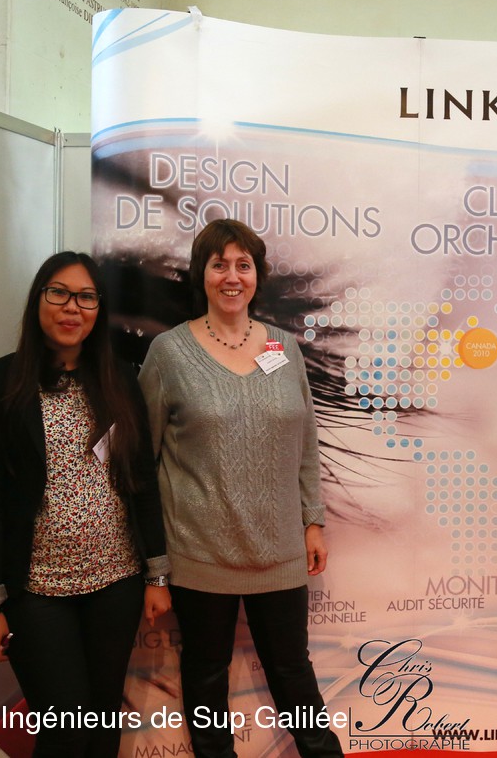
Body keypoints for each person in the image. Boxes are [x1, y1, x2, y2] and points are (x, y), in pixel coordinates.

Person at [140, 218, 343, 758]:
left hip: (280, 549)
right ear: (201, 274)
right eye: (219, 265)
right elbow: (142, 461)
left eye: (243, 265)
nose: (232, 277)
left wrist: (313, 519)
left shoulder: (284, 348)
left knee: (294, 675)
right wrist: (154, 565)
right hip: (199, 553)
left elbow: (305, 439)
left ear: (258, 275)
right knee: (207, 677)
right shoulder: (168, 353)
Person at [0, 251, 171, 758]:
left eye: (86, 297)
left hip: (116, 582)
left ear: (98, 309)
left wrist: (156, 575)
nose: (71, 307)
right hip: (36, 589)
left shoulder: (120, 378)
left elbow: (141, 480)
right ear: (38, 300)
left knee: (103, 721)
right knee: (64, 730)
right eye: (58, 293)